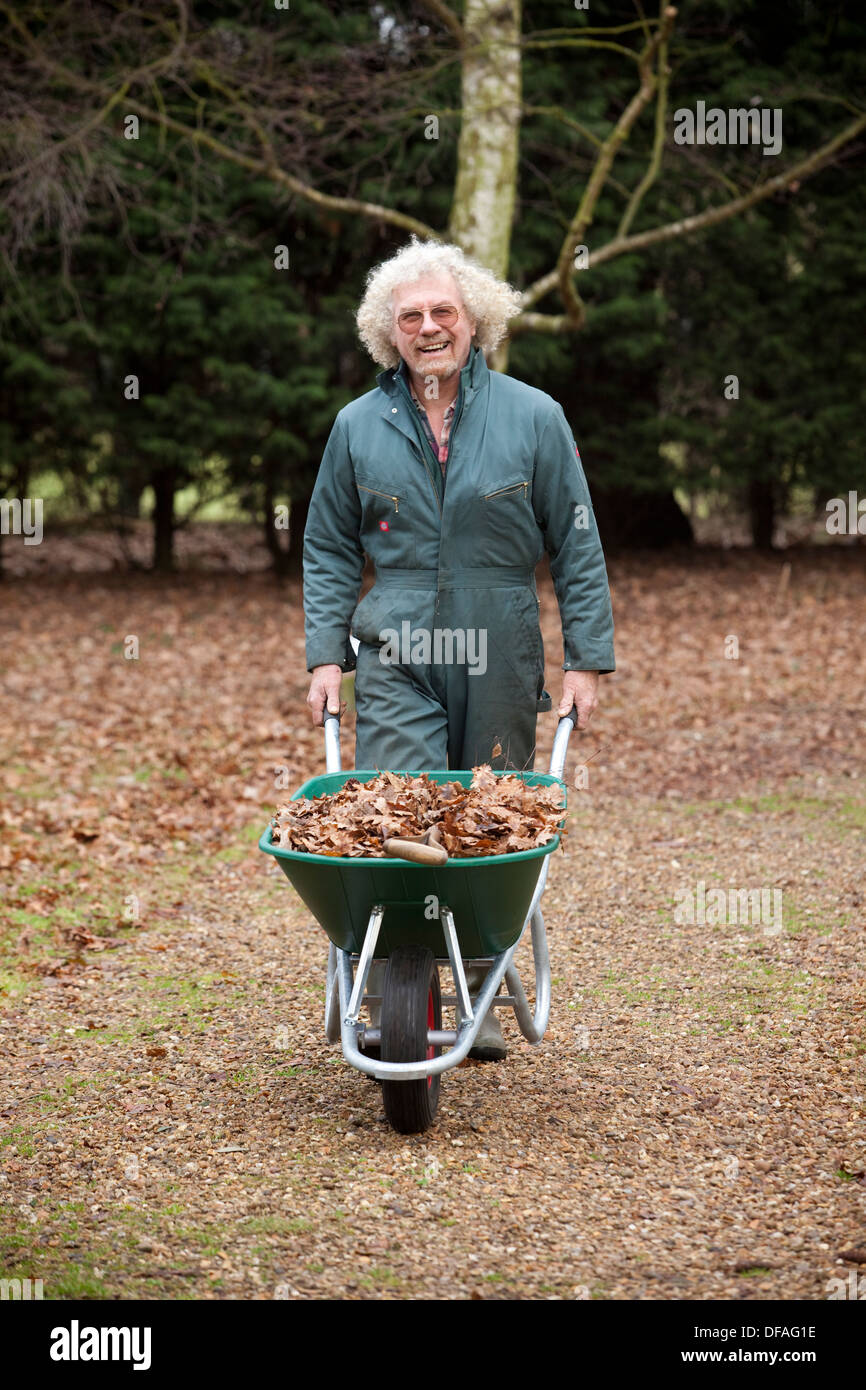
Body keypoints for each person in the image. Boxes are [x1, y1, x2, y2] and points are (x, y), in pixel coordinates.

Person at [304, 237, 615, 1060]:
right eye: (411, 317)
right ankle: (407, 989)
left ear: (474, 319)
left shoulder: (534, 416)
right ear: (388, 333)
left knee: (487, 822)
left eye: (444, 311)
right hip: (398, 644)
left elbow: (576, 544)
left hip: (500, 644)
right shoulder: (357, 426)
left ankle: (474, 983)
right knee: (403, 810)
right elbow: (331, 546)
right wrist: (327, 656)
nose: (430, 327)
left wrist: (585, 660)